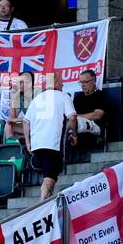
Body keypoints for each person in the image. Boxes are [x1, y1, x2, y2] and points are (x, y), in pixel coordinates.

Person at [22, 74, 78, 202]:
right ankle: (42, 203)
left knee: (50, 176)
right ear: (57, 83)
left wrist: (28, 142)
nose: (63, 86)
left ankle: (45, 201)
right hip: (53, 144)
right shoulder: (64, 96)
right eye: (62, 83)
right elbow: (73, 117)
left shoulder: (37, 98)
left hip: (37, 145)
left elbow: (26, 121)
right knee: (49, 177)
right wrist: (74, 134)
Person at [70, 69, 110, 151]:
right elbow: (71, 115)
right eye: (81, 82)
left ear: (94, 81)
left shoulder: (100, 95)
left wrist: (76, 117)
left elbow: (97, 115)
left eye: (85, 82)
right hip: (78, 128)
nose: (82, 85)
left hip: (95, 127)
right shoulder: (78, 98)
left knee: (75, 122)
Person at [3, 70, 36, 141]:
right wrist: (12, 97)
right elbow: (12, 117)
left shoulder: (37, 94)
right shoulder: (20, 96)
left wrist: (16, 119)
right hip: (29, 126)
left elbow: (34, 118)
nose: (18, 85)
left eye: (21, 82)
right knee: (8, 125)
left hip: (39, 126)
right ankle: (13, 148)